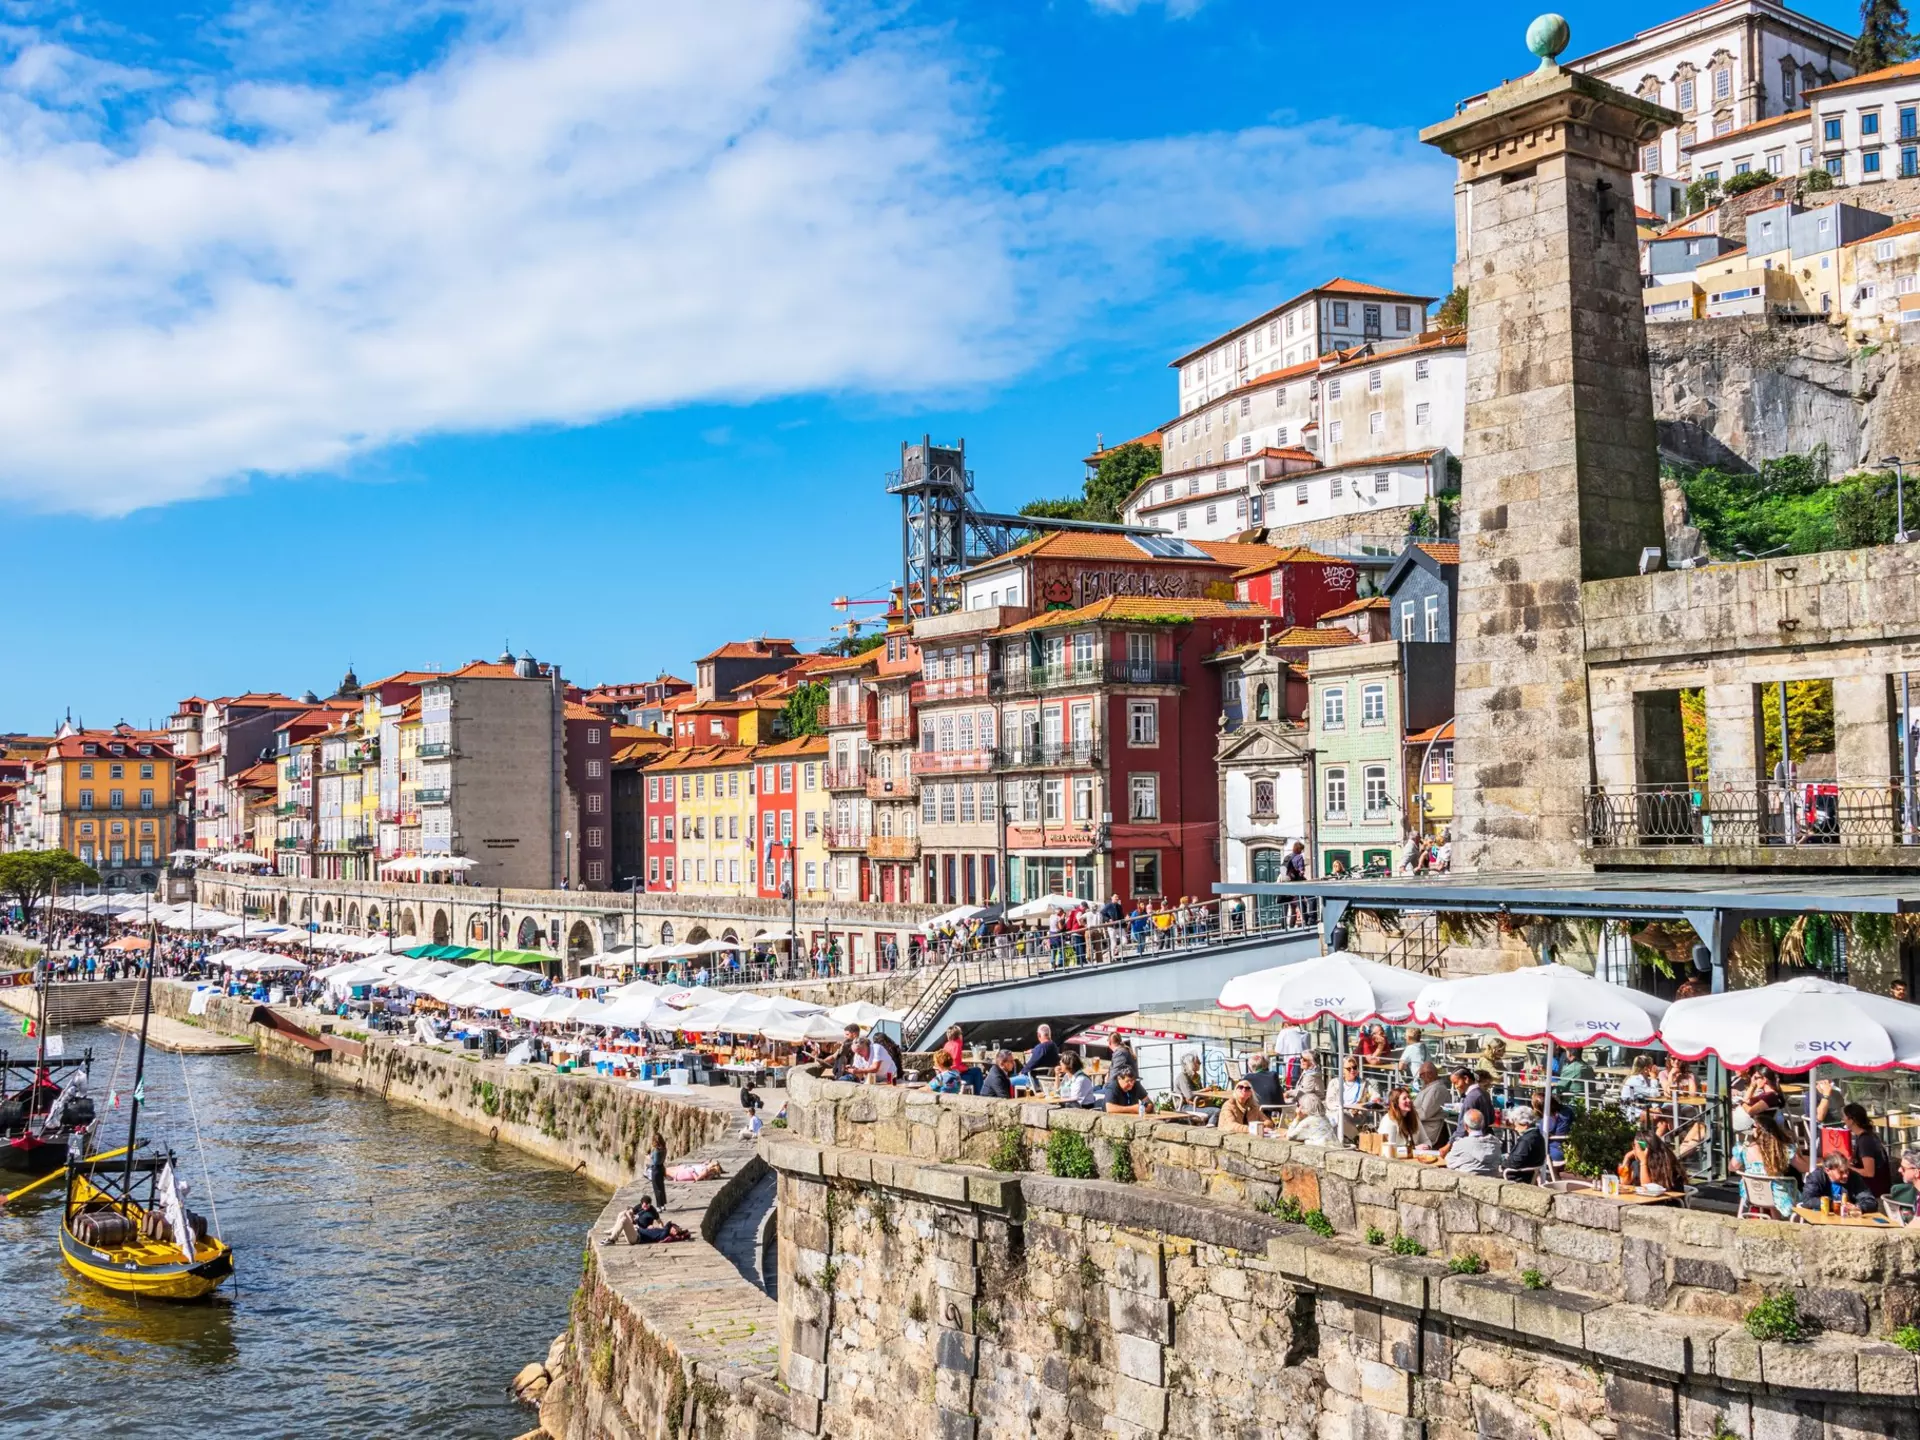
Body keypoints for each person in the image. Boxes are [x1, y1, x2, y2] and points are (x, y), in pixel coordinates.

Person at [1733, 1124, 1800, 1219]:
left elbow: (1732, 1167)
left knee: (1772, 1187)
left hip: (1751, 1194)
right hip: (1777, 1197)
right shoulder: (1782, 1150)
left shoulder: (1744, 1150)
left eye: (1754, 1127)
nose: (1752, 1129)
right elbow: (1803, 1168)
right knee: (1793, 1190)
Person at [1800, 1151, 1878, 1213]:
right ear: (1827, 1170)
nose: (1846, 1175)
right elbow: (1807, 1200)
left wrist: (1858, 1207)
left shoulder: (1854, 1177)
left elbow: (1871, 1201)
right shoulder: (1816, 1177)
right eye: (1841, 1172)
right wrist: (1833, 1204)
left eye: (1847, 1171)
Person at [1844, 1103, 1893, 1200]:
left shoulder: (1865, 1141)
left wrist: (1848, 1167)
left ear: (1852, 1120)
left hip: (1874, 1194)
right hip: (1879, 1190)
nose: (1843, 1120)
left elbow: (1869, 1172)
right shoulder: (1869, 1136)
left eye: (1845, 1117)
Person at [1619, 1130, 1683, 1193]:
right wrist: (1626, 1158)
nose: (1633, 1148)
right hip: (1646, 1201)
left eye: (1634, 1145)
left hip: (1668, 1202)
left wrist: (1643, 1162)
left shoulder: (1666, 1164)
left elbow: (1648, 1190)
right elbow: (1624, 1182)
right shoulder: (1636, 1164)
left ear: (1645, 1148)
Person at [1443, 1110, 1501, 1176]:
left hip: (1467, 1182)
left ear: (1465, 1126)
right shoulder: (1496, 1143)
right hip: (1492, 1182)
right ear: (1483, 1124)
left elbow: (1449, 1163)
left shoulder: (1461, 1144)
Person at [1502, 1105, 1547, 1180]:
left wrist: (1502, 1163)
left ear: (1525, 1124)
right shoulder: (1538, 1135)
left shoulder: (1526, 1140)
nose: (1515, 1128)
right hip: (1530, 1174)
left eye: (1516, 1125)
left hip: (1519, 1177)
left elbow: (1516, 1162)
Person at [1413, 1063, 1450, 1149]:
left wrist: (1407, 1113)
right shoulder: (1429, 1086)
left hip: (1429, 1128)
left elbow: (1425, 1113)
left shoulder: (1436, 1090)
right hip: (1420, 1124)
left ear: (1430, 1074)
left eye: (1422, 1074)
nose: (1420, 1077)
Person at [1619, 1055, 1662, 1120]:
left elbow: (1653, 1095)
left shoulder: (1645, 1078)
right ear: (1646, 1069)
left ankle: (1677, 1130)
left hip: (1641, 1108)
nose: (1654, 1068)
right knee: (1662, 1121)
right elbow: (1653, 1094)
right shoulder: (1636, 1080)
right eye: (1652, 1066)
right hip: (1632, 1111)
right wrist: (1654, 1078)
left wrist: (1656, 1107)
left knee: (1668, 1114)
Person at [645, 1132, 668, 1210]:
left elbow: (655, 1162)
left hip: (656, 1169)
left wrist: (649, 1157)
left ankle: (659, 1206)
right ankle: (663, 1205)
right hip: (662, 1168)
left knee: (656, 1188)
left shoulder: (656, 1150)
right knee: (661, 1187)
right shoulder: (664, 1148)